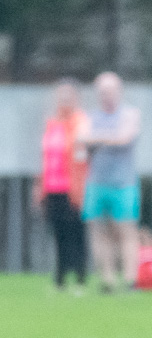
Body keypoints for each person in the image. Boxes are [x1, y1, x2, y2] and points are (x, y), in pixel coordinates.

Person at [77, 72, 140, 293]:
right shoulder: (89, 116)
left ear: (119, 91)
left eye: (111, 91)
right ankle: (107, 279)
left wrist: (99, 137)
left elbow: (125, 138)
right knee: (98, 231)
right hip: (96, 181)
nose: (107, 96)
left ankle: (131, 279)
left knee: (126, 231)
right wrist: (108, 137)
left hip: (123, 182)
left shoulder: (130, 114)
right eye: (102, 92)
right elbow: (82, 137)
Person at [37, 80, 90, 293]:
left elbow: (81, 154)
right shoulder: (52, 124)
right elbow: (45, 158)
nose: (64, 102)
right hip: (52, 187)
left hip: (74, 189)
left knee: (76, 233)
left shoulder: (81, 122)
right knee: (58, 234)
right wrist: (39, 186)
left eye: (68, 97)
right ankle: (60, 279)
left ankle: (80, 278)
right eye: (61, 97)